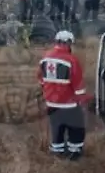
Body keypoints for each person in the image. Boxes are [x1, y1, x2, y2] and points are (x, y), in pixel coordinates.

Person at [38, 30, 89, 160]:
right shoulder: (71, 60)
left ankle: (57, 152)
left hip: (51, 103)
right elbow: (78, 86)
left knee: (57, 127)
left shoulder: (45, 58)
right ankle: (74, 153)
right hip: (69, 104)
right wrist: (83, 101)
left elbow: (41, 79)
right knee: (76, 128)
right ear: (69, 43)